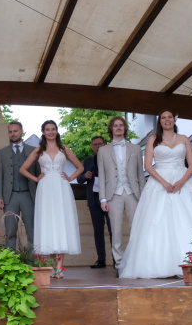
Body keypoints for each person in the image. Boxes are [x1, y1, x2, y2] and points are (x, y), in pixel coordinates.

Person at [121, 110, 192, 278]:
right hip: (159, 182)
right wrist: (164, 183)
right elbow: (148, 166)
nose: (167, 120)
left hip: (183, 181)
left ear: (174, 120)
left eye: (169, 117)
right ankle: (160, 264)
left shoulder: (184, 139)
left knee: (188, 218)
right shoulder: (153, 139)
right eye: (163, 118)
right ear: (160, 121)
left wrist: (182, 181)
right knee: (157, 222)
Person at [20, 120, 82, 278]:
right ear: (43, 132)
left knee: (61, 223)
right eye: (47, 129)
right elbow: (23, 169)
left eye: (53, 129)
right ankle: (53, 266)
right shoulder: (39, 150)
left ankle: (59, 268)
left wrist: (70, 178)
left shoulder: (64, 149)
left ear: (57, 130)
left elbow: (80, 167)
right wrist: (36, 178)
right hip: (45, 188)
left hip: (61, 188)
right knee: (49, 224)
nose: (51, 132)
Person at [97, 116, 145, 274]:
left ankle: (137, 262)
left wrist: (143, 196)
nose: (118, 128)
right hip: (113, 194)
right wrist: (103, 198)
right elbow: (102, 176)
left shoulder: (135, 148)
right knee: (116, 231)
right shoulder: (103, 150)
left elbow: (140, 175)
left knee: (137, 229)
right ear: (111, 129)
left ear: (125, 128)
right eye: (115, 125)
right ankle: (119, 264)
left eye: (121, 125)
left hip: (133, 193)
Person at [0, 121, 38, 250]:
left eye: (15, 131)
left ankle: (33, 260)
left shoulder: (33, 150)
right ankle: (11, 260)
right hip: (10, 196)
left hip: (29, 195)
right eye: (10, 132)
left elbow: (38, 174)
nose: (13, 134)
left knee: (32, 230)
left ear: (22, 131)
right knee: (10, 231)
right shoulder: (2, 152)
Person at [82, 135, 111, 268]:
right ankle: (101, 260)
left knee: (113, 230)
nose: (98, 146)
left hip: (110, 199)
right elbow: (79, 179)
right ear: (92, 146)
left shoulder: (111, 159)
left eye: (100, 144)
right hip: (94, 199)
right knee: (98, 231)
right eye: (95, 144)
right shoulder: (88, 161)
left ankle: (117, 260)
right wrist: (85, 176)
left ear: (105, 145)